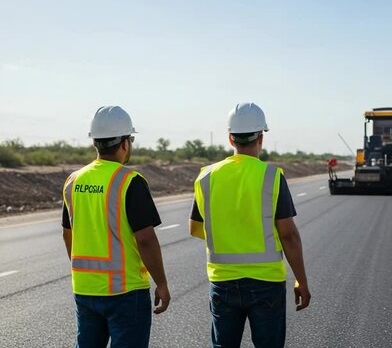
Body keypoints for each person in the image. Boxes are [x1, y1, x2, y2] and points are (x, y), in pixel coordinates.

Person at [189, 102, 311, 347]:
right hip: (266, 283)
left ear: (230, 138)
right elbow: (288, 236)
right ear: (261, 138)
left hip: (222, 282)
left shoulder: (206, 176)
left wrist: (230, 233)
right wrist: (301, 280)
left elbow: (195, 228)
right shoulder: (272, 176)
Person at [62, 106, 170, 348]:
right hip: (126, 292)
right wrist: (161, 283)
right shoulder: (130, 181)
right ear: (124, 143)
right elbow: (145, 239)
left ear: (95, 143)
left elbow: (68, 234)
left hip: (85, 290)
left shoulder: (74, 181)